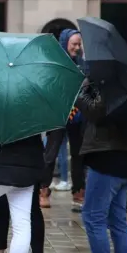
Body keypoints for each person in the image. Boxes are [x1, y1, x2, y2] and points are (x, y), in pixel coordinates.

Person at [70, 73, 127, 253]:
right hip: (124, 161)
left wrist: (80, 92)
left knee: (93, 217)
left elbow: (95, 112)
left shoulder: (113, 89)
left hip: (106, 162)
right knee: (117, 219)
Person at [41, 28, 86, 210]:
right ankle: (43, 190)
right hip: (57, 114)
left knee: (78, 155)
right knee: (50, 154)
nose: (77, 48)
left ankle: (78, 192)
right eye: (74, 44)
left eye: (79, 44)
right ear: (65, 43)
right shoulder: (55, 63)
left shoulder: (83, 64)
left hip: (78, 115)